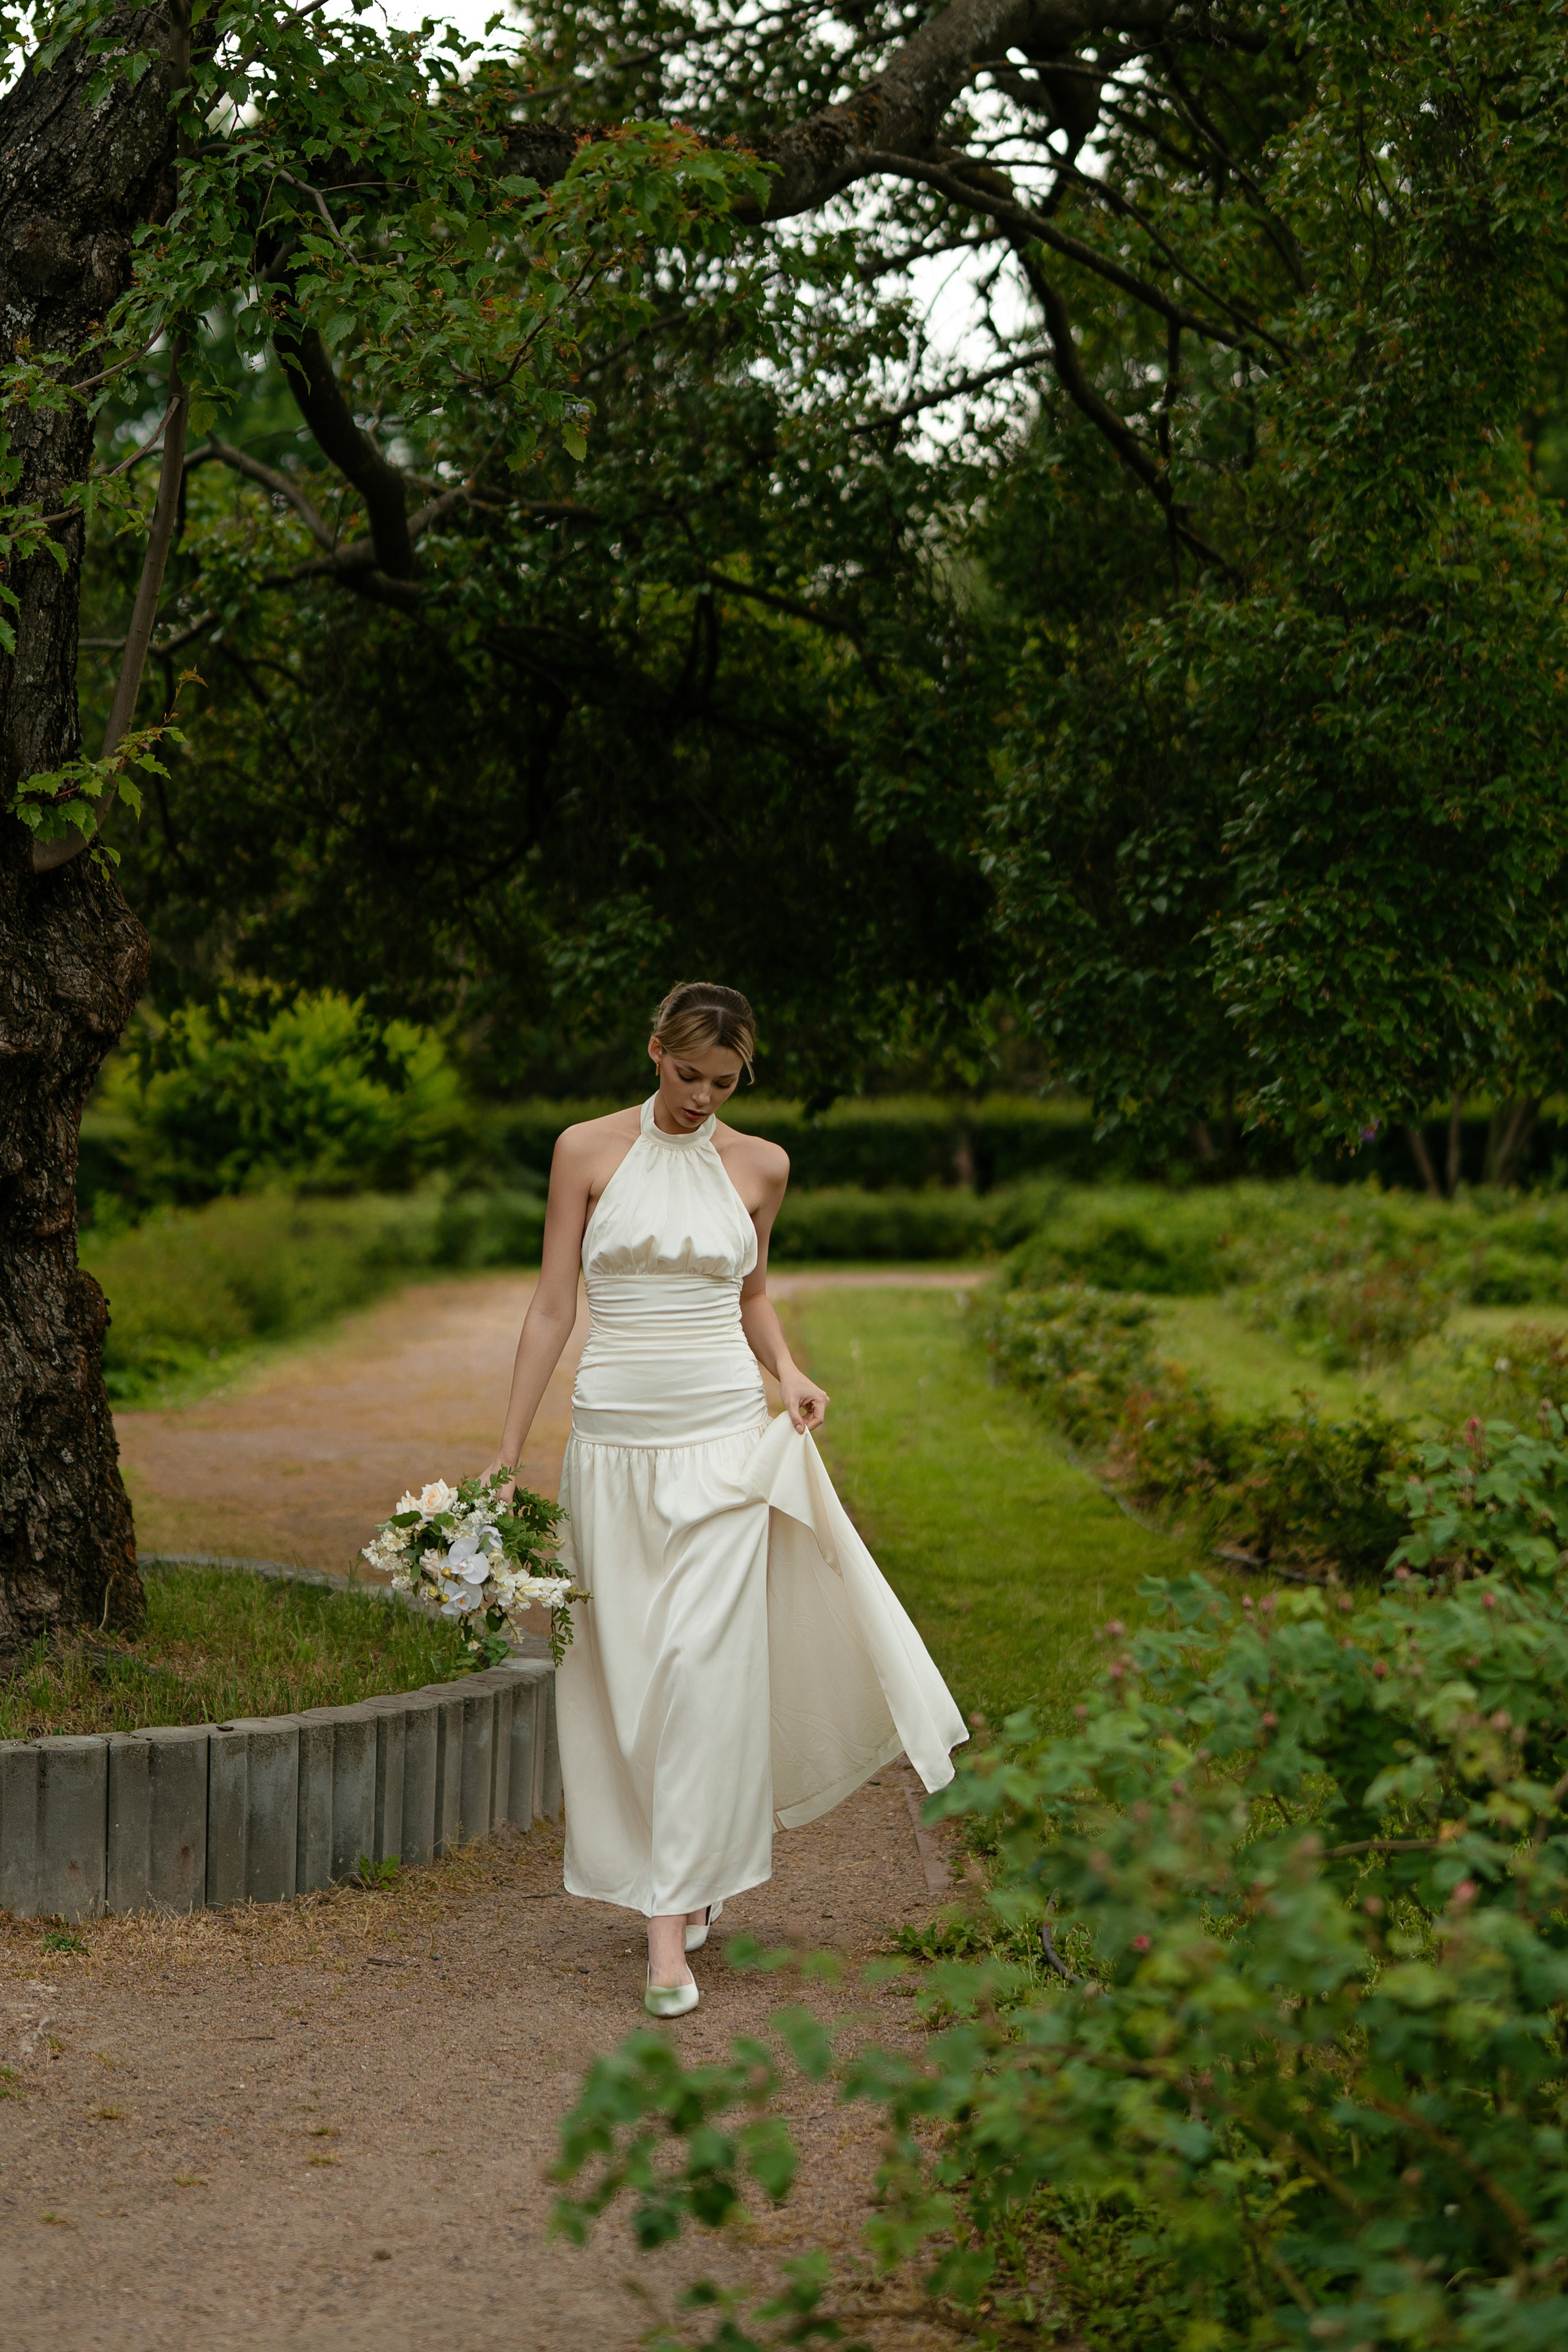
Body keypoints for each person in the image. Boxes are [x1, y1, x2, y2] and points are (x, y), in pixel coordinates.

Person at [484, 981, 966, 2015]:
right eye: (687, 1074)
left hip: (722, 1447)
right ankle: (681, 1875)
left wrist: (785, 1373)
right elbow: (550, 1306)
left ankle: (667, 1934)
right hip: (612, 1446)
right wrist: (507, 1454)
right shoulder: (585, 1151)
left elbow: (750, 1290)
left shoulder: (762, 1166)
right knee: (630, 1679)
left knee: (701, 1669)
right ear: (653, 1049)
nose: (702, 1097)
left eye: (723, 1082)